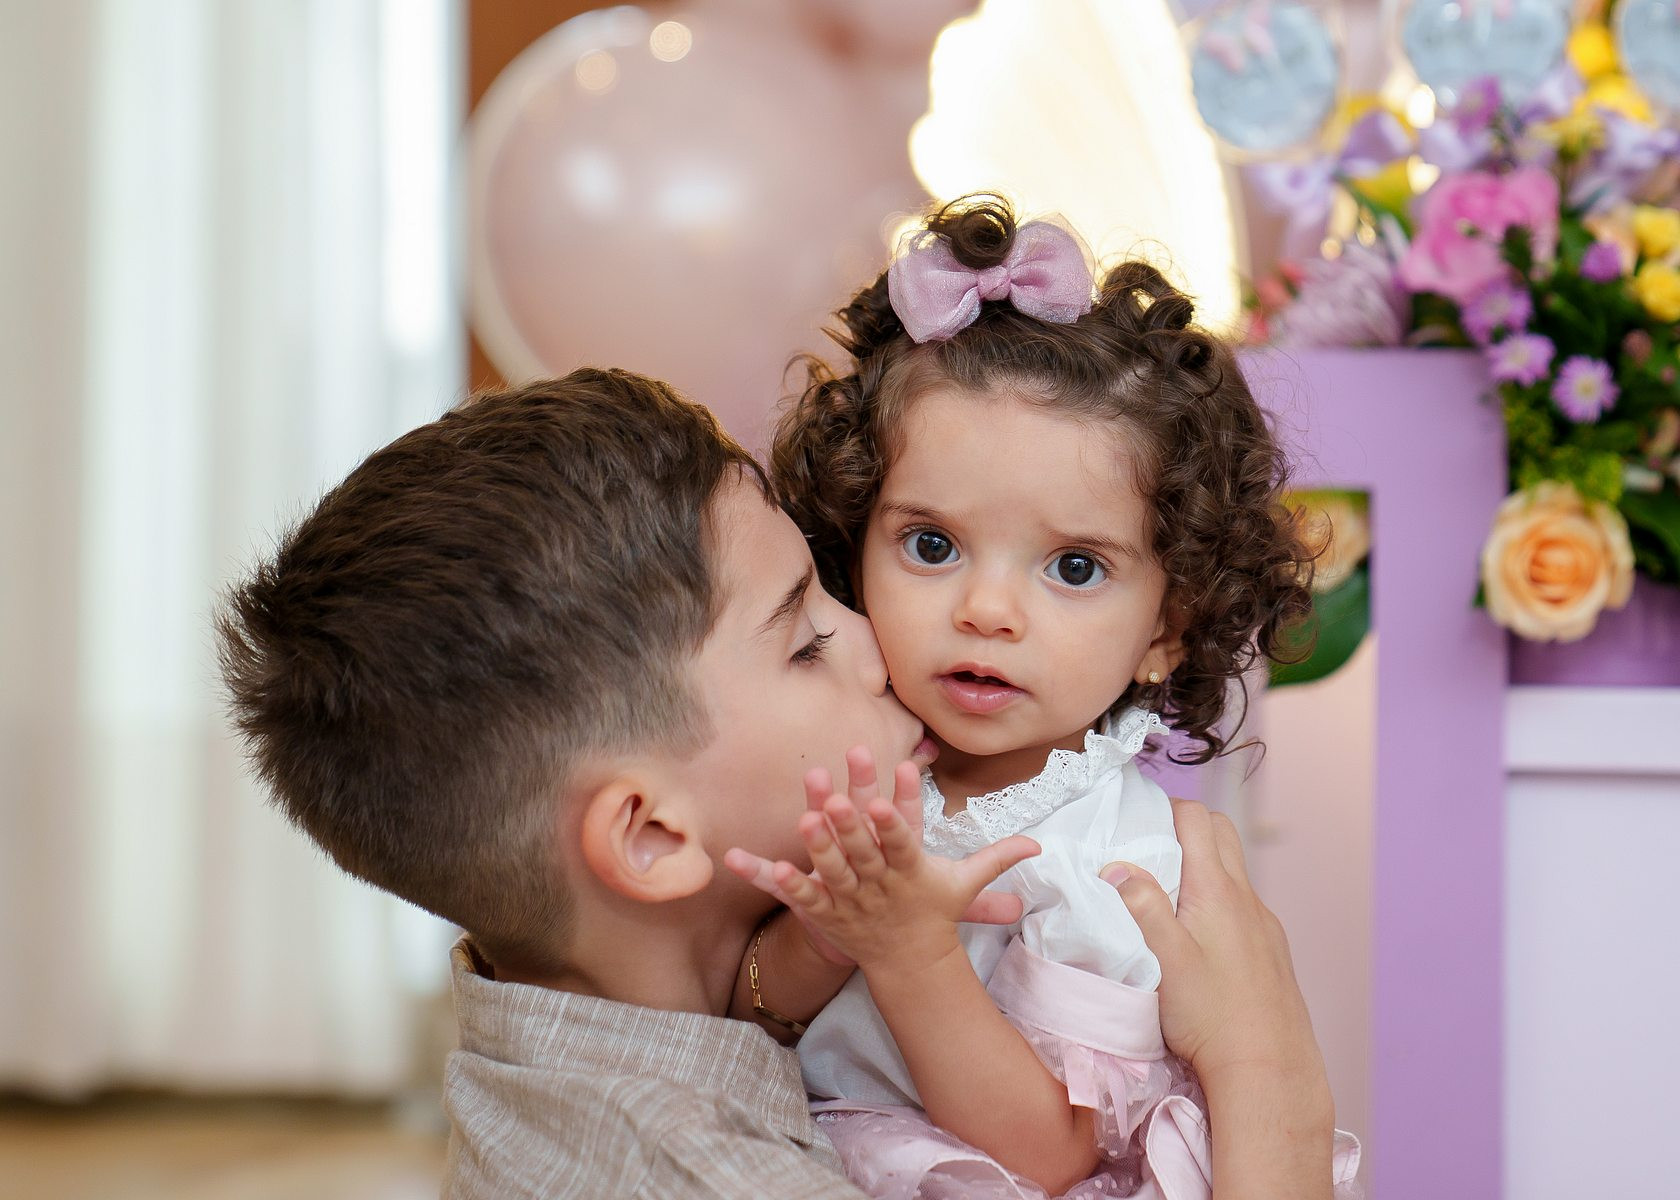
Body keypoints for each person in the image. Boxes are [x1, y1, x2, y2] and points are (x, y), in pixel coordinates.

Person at [215, 366, 1344, 1199]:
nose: (878, 643)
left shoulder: (556, 1037)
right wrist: (1264, 1077)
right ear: (652, 837)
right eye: (804, 643)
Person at [733, 196, 1359, 1198]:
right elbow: (738, 1011)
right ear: (853, 543)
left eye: (1073, 567)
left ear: (1167, 629)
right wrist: (823, 935)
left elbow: (1054, 1154)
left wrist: (910, 953)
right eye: (930, 545)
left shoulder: (1113, 858)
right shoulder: (837, 754)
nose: (986, 611)